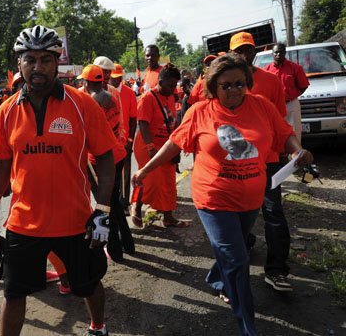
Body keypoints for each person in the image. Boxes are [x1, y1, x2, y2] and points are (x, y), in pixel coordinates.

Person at [132, 53, 313, 336]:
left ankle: (217, 278)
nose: (234, 90)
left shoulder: (262, 107)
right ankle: (247, 326)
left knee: (236, 246)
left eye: (239, 84)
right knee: (238, 260)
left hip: (250, 198)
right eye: (226, 85)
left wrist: (296, 150)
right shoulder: (200, 112)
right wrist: (144, 170)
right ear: (214, 87)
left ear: (247, 83)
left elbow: (284, 132)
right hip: (213, 198)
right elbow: (173, 144)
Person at [0, 25, 116, 336]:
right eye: (30, 59)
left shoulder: (82, 105)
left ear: (58, 63)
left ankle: (98, 327)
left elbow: (106, 157)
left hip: (75, 221)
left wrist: (104, 210)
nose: (38, 67)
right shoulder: (6, 111)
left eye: (46, 59)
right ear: (19, 63)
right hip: (23, 222)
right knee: (13, 293)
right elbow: (1, 164)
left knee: (88, 284)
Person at [229, 32, 294, 292]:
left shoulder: (270, 81)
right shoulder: (225, 82)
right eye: (240, 50)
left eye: (249, 49)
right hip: (233, 163)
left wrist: (285, 152)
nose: (245, 54)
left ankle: (277, 271)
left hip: (267, 161)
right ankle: (232, 268)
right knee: (233, 216)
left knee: (273, 213)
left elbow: (280, 123)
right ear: (233, 53)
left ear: (256, 51)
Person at [78, 64, 135, 261]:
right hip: (117, 154)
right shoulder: (112, 94)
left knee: (105, 205)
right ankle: (128, 244)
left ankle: (114, 249)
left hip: (99, 160)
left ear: (85, 82)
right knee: (114, 203)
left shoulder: (89, 101)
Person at [132, 64, 186, 228]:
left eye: (174, 85)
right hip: (148, 145)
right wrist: (150, 148)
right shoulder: (148, 98)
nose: (172, 89)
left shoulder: (170, 96)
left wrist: (176, 147)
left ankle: (168, 217)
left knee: (168, 181)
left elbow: (172, 123)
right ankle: (136, 206)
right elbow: (142, 124)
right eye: (170, 85)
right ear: (160, 82)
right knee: (146, 178)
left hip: (166, 145)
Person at [264, 42, 310, 141]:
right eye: (276, 52)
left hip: (291, 105)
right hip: (274, 107)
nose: (278, 54)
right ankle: (280, 156)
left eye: (280, 52)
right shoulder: (267, 70)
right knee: (275, 134)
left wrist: (292, 95)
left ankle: (295, 156)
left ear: (285, 53)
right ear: (272, 54)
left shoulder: (295, 68)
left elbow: (303, 86)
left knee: (295, 133)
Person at [109, 63, 138, 211]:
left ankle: (125, 202)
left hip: (125, 141)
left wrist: (130, 140)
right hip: (109, 142)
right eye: (112, 78)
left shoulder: (129, 93)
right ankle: (115, 202)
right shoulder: (106, 93)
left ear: (121, 77)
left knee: (126, 172)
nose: (114, 80)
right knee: (112, 175)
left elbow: (133, 119)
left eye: (116, 78)